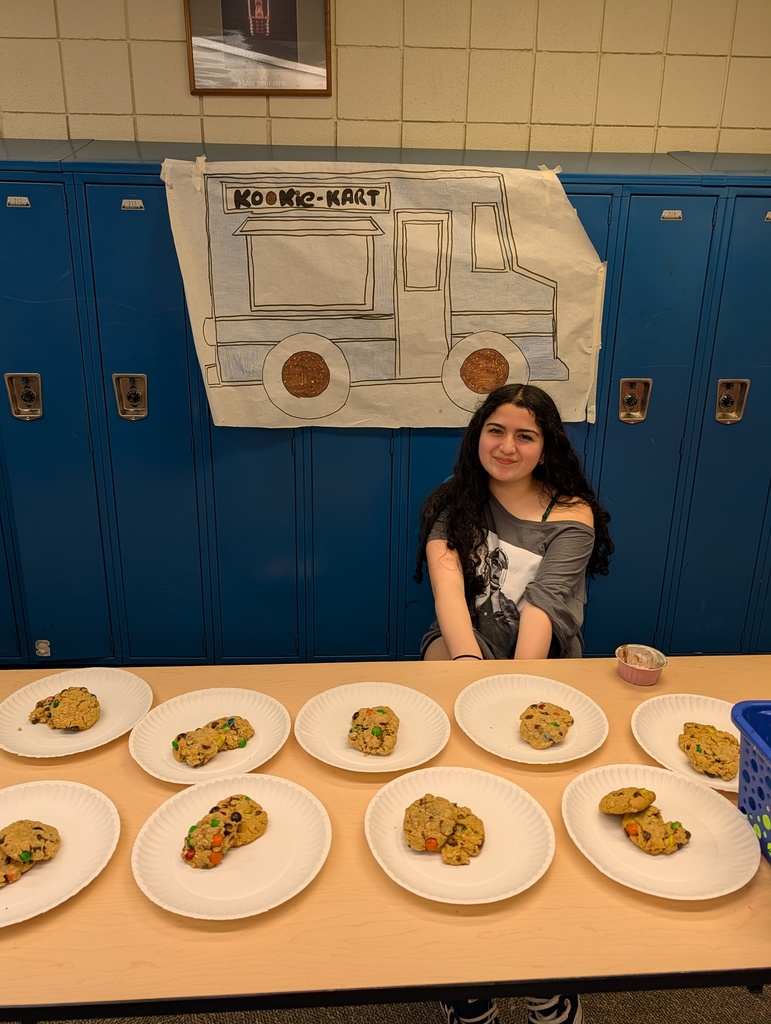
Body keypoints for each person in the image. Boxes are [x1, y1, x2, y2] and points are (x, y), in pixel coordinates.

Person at [414, 383, 613, 1024]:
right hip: (463, 653)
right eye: (495, 430)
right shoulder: (453, 502)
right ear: (478, 436)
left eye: (525, 435)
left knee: (536, 825)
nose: (507, 446)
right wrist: (471, 673)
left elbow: (543, 615)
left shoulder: (571, 515)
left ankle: (543, 974)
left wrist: (507, 699)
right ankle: (466, 979)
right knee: (456, 805)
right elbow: (448, 594)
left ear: (545, 445)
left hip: (538, 670)